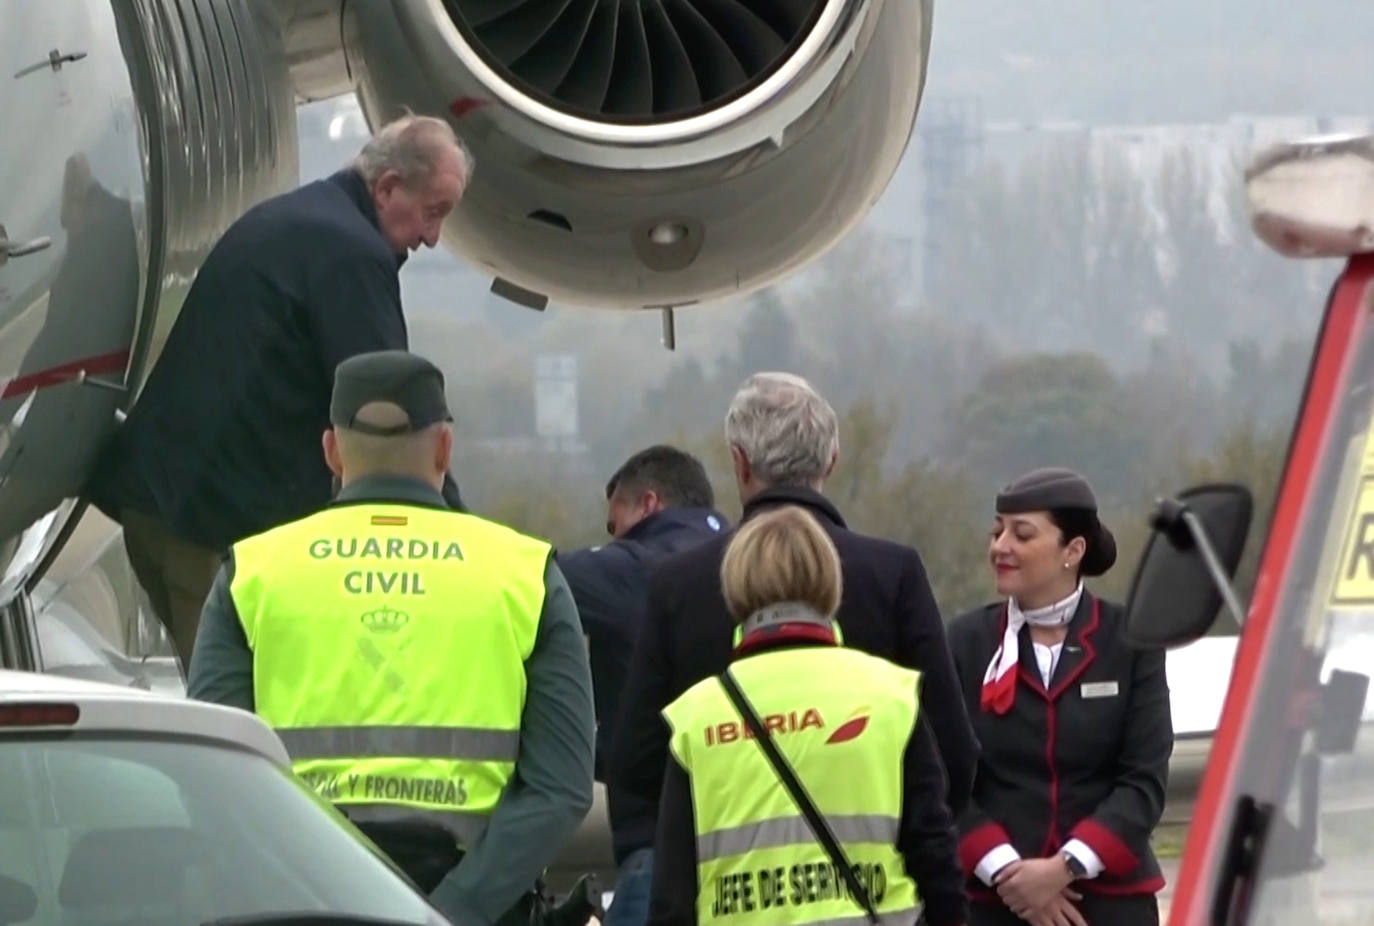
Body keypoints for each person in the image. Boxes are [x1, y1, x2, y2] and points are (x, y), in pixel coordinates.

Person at [185, 350, 595, 926]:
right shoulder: (524, 573)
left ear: (331, 449)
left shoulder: (254, 571)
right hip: (472, 903)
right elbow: (562, 786)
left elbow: (214, 771)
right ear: (445, 449)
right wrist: (452, 911)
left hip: (303, 902)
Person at [84, 114, 472, 670]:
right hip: (208, 535)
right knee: (254, 727)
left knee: (232, 710)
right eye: (433, 213)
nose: (433, 238)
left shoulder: (306, 220)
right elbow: (395, 413)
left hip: (161, 512)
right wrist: (458, 533)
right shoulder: (351, 254)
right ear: (387, 188)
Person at [608, 371, 980, 915]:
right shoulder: (893, 573)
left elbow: (637, 765)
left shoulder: (677, 584)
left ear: (738, 462)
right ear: (831, 461)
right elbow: (953, 751)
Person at [648, 505, 969, 926]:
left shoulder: (698, 715)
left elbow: (672, 895)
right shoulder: (890, 696)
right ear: (830, 583)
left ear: (735, 588)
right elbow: (933, 852)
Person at [945, 467, 1172, 926]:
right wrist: (1009, 873)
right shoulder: (964, 641)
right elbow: (944, 781)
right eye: (997, 531)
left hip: (1109, 903)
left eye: (1021, 534)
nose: (1000, 547)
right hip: (994, 904)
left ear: (1073, 550)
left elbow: (1143, 781)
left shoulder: (1130, 640)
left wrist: (1064, 867)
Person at [556, 445, 729, 925]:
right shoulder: (759, 560)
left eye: (615, 526)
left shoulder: (634, 568)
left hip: (658, 844)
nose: (613, 541)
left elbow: (519, 579)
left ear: (649, 504)